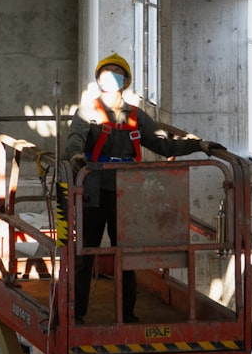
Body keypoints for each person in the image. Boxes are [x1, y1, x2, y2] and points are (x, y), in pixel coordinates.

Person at [63, 52, 223, 324]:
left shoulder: (136, 117)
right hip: (93, 190)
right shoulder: (87, 112)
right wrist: (76, 156)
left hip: (127, 194)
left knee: (126, 257)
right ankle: (76, 313)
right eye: (105, 72)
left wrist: (199, 145)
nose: (109, 77)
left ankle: (126, 313)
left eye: (115, 72)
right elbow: (75, 139)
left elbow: (164, 145)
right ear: (98, 80)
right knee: (84, 253)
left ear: (125, 81)